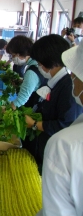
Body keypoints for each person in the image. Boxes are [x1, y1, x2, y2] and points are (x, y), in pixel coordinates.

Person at [35, 39, 83, 216]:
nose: (72, 78)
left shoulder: (65, 144)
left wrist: (34, 124)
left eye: (75, 75)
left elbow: (57, 214)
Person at [24, 34, 82, 166]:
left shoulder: (68, 88)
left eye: (39, 63)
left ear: (51, 62)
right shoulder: (53, 82)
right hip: (43, 145)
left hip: (54, 153)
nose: (39, 67)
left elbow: (65, 123)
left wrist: (35, 124)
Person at [5, 35, 45, 109]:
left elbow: (20, 100)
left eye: (13, 55)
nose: (13, 58)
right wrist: (22, 81)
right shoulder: (36, 63)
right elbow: (35, 83)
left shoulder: (31, 73)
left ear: (21, 53)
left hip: (34, 106)